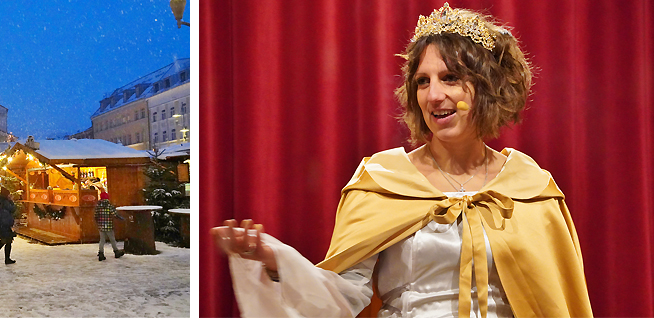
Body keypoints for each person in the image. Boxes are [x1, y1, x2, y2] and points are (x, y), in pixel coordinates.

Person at [210, 4, 592, 317]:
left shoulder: (528, 185)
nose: (434, 95)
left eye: (450, 77)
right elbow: (342, 296)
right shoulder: (383, 179)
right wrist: (275, 260)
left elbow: (557, 300)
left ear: (487, 87)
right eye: (422, 82)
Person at [0, 187, 17, 264]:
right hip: (5, 224)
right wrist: (11, 201)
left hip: (1, 223)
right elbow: (12, 209)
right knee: (5, 240)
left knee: (7, 240)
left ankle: (3, 257)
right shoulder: (5, 202)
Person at [94, 192, 124, 261]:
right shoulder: (108, 205)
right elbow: (114, 213)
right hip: (108, 225)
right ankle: (116, 252)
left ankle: (101, 253)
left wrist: (98, 222)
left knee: (102, 240)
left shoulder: (98, 206)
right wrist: (119, 217)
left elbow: (96, 215)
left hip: (101, 225)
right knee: (112, 239)